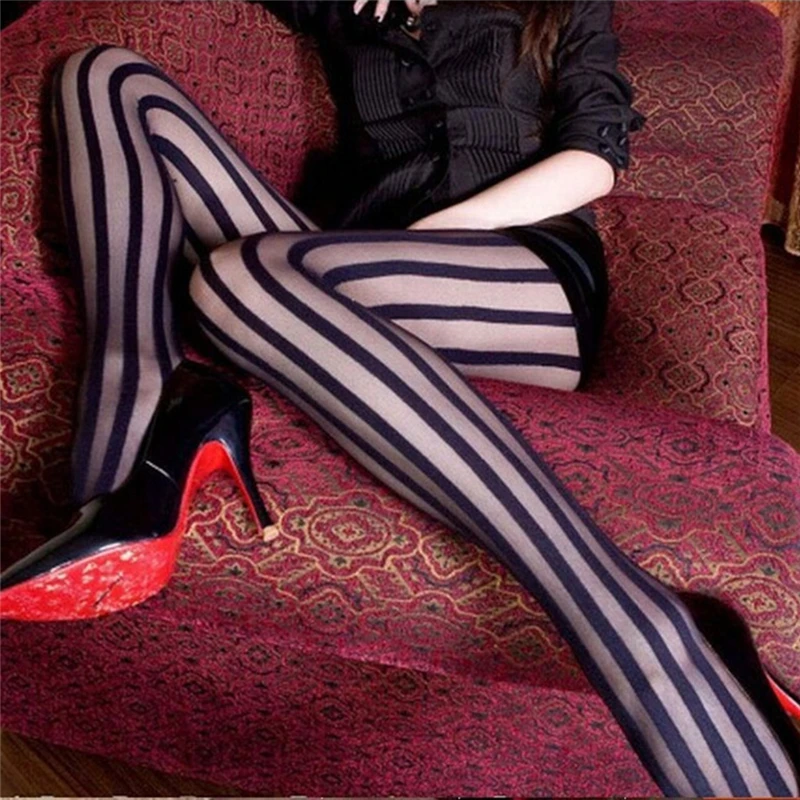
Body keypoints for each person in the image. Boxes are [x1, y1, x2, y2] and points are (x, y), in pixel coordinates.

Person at [0, 0, 798, 795]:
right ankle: (131, 427)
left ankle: (641, 625)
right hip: (340, 270)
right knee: (105, 77)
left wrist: (434, 236)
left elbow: (595, 155)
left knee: (239, 277)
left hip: (515, 276)